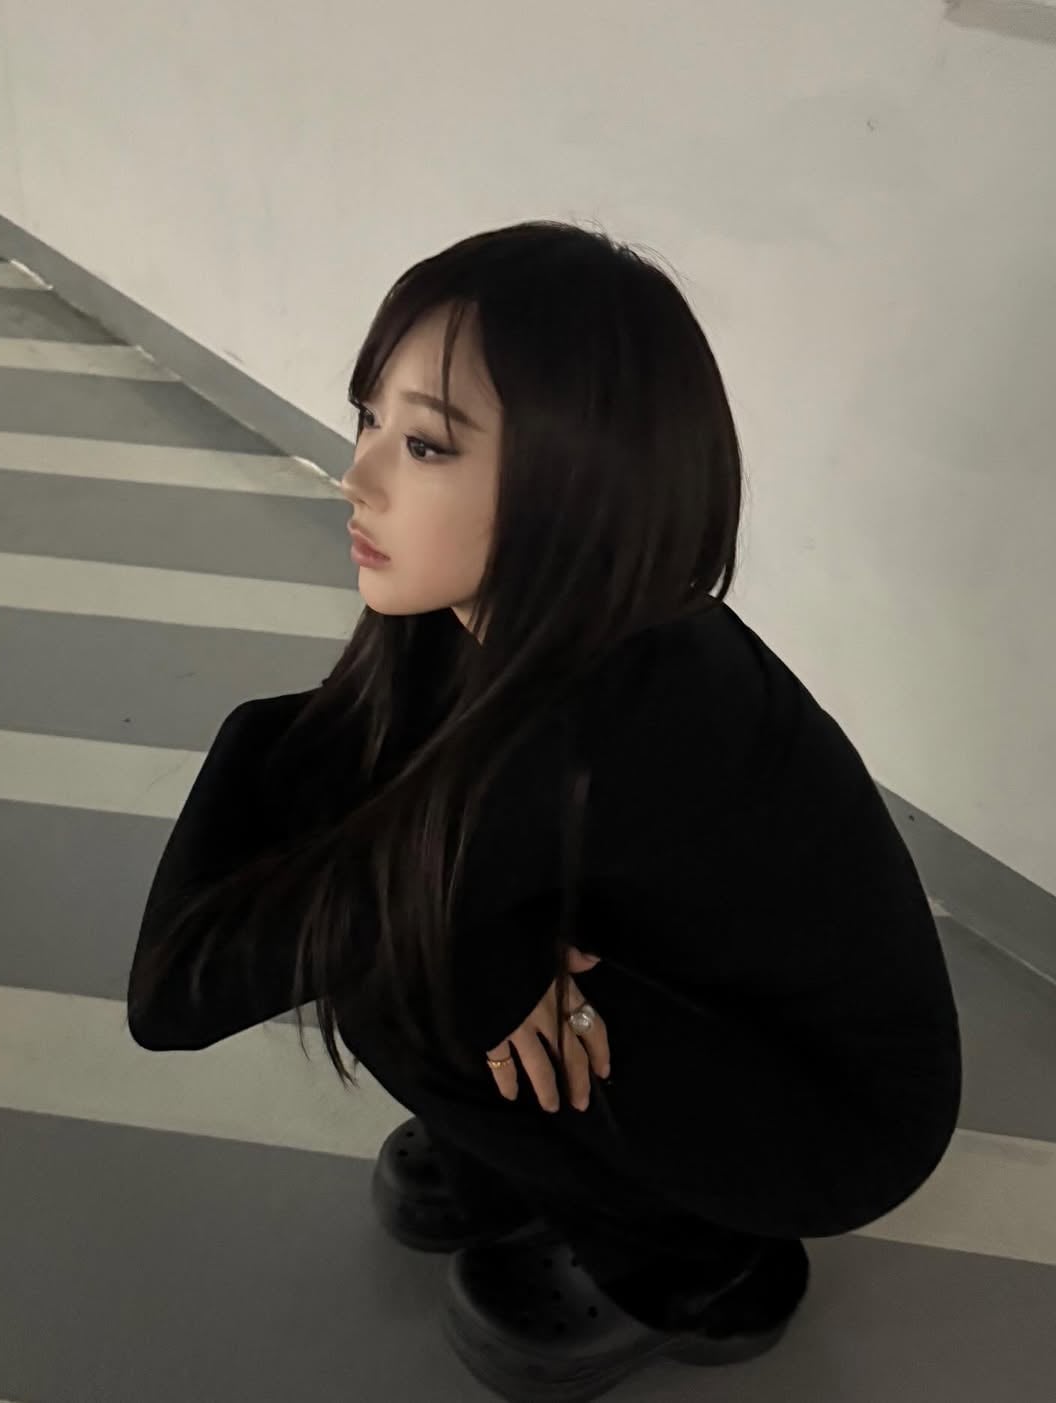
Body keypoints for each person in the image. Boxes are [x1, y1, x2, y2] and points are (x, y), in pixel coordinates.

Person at [126, 219, 962, 1403]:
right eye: (370, 419)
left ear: (578, 482)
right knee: (434, 922)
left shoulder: (607, 718)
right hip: (704, 975)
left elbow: (176, 993)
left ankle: (697, 1264)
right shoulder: (515, 618)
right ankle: (518, 1156)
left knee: (414, 970)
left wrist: (258, 743)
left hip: (827, 1113)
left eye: (425, 444)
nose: (358, 475)